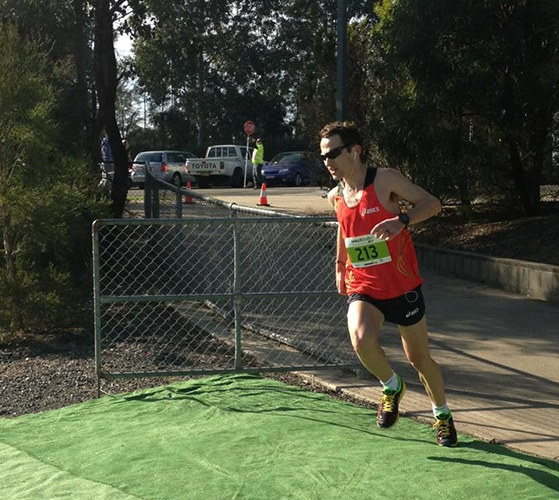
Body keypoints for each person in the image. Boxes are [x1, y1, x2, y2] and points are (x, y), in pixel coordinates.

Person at [320, 121, 457, 447]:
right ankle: (391, 386)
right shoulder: (335, 195)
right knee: (360, 339)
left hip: (402, 287)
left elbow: (432, 203)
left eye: (334, 153)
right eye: (323, 156)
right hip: (363, 286)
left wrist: (402, 220)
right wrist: (340, 265)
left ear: (355, 150)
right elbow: (344, 227)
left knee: (420, 360)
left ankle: (442, 416)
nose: (327, 161)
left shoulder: (385, 180)